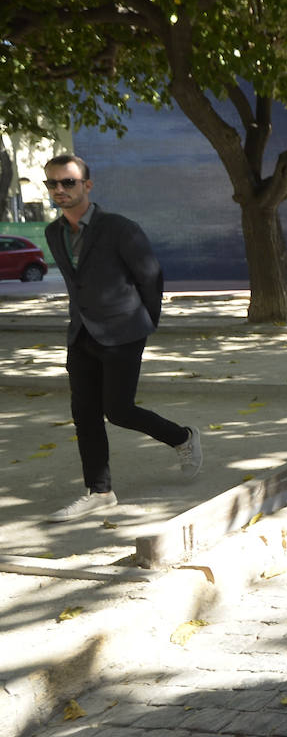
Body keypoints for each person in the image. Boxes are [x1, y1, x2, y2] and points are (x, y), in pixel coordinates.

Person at [42, 154, 202, 523]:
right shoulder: (54, 233)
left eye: (68, 182)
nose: (60, 190)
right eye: (52, 183)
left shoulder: (119, 228)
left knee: (118, 410)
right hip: (81, 332)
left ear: (87, 185)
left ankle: (182, 438)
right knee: (84, 414)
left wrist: (144, 322)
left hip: (124, 332)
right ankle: (99, 492)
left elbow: (151, 276)